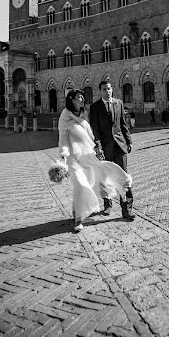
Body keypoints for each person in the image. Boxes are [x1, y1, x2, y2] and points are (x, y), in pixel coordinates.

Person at [58, 90, 132, 232]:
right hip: (73, 157)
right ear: (72, 99)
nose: (82, 99)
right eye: (79, 97)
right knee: (80, 184)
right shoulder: (65, 115)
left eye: (83, 97)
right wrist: (63, 155)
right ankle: (79, 219)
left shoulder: (84, 114)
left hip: (87, 155)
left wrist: (97, 148)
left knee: (93, 178)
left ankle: (122, 181)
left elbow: (90, 135)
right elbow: (62, 138)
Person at [90, 81, 135, 221]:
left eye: (109, 89)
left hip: (120, 145)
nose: (107, 91)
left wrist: (128, 141)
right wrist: (98, 146)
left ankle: (127, 209)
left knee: (123, 177)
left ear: (112, 89)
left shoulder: (119, 103)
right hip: (105, 147)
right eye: (104, 89)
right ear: (100, 91)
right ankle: (107, 203)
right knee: (105, 178)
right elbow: (95, 128)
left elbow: (122, 124)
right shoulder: (95, 107)